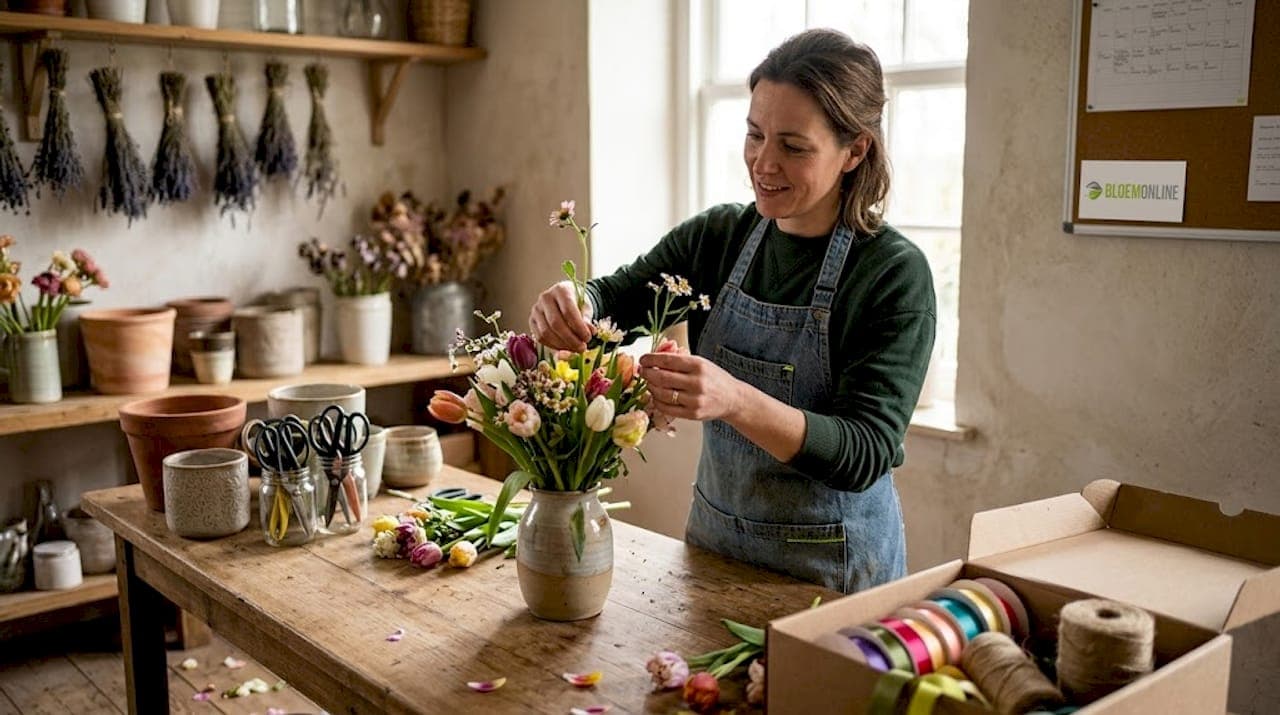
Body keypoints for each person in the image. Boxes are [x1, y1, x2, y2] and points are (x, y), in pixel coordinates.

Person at [529, 29, 935, 594]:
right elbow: (615, 298)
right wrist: (573, 300)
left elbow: (863, 451)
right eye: (754, 135)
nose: (763, 163)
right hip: (716, 548)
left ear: (856, 149)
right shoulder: (718, 237)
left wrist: (735, 399)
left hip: (833, 573)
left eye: (793, 146)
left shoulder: (892, 273)